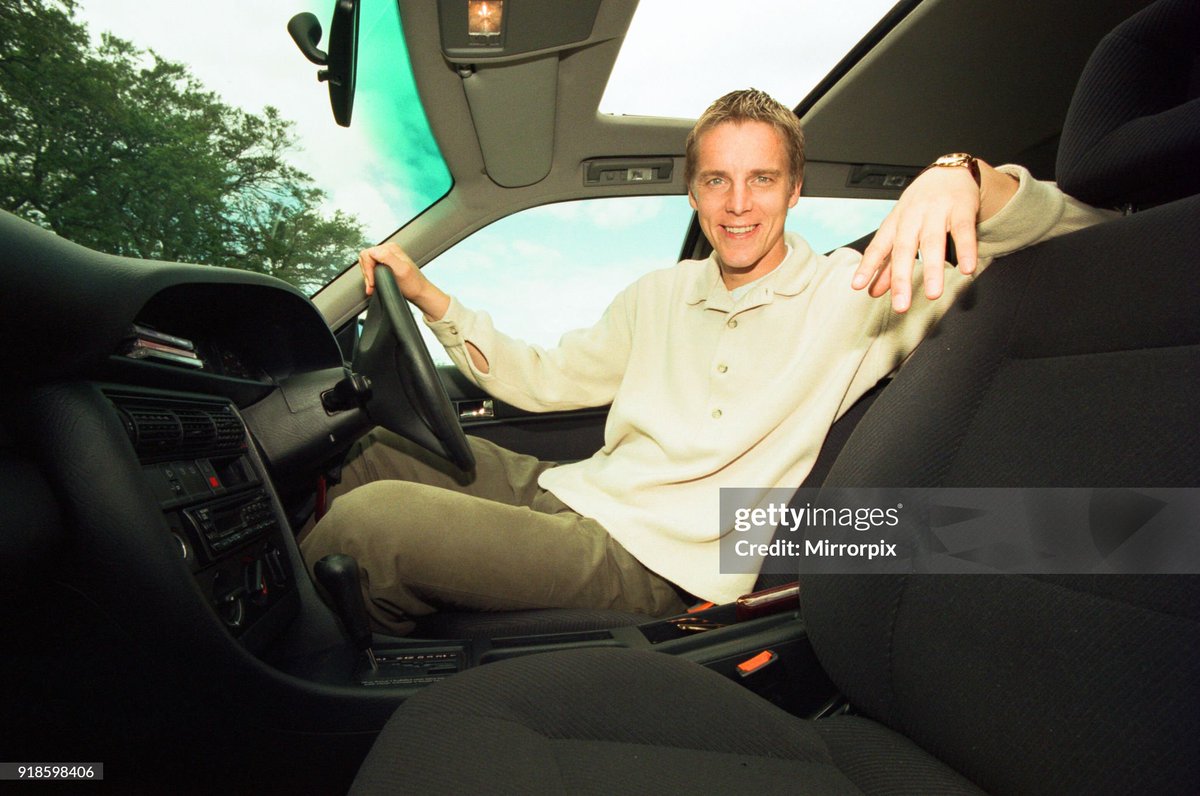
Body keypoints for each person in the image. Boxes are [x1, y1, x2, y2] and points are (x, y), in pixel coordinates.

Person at [300, 89, 1114, 635]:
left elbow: (1094, 235)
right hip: (579, 491)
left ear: (795, 191)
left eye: (762, 180)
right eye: (717, 181)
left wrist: (964, 178)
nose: (737, 204)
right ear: (692, 193)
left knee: (375, 530)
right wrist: (435, 302)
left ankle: (297, 687)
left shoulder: (864, 288)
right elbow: (545, 379)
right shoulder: (657, 292)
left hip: (660, 554)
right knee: (370, 456)